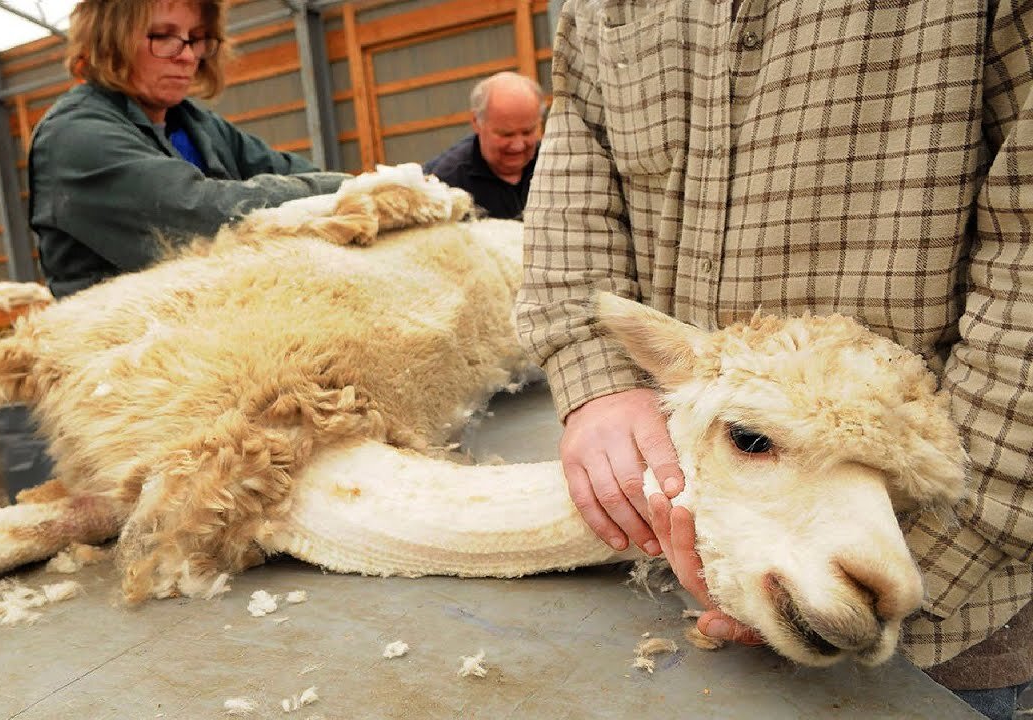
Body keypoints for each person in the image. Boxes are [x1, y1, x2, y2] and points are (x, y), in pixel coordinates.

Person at [516, 2, 1031, 718]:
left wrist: (943, 542)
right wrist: (597, 381)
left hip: (954, 605)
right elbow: (576, 177)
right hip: (679, 560)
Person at [30, 0, 348, 299]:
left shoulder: (198, 125)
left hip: (208, 326)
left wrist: (350, 188)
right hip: (124, 347)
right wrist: (356, 188)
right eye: (163, 36)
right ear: (110, 40)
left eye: (195, 38)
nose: (187, 56)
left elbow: (290, 171)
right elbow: (201, 216)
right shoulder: (74, 137)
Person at [423, 71, 544, 220]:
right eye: (506, 134)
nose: (518, 146)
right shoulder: (442, 183)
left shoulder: (556, 164)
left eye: (528, 132)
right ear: (476, 122)